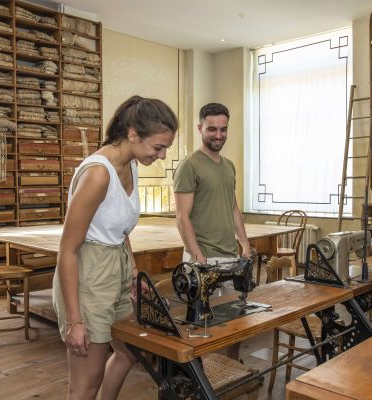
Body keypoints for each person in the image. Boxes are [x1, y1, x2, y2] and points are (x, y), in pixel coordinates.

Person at [52, 96, 178, 400]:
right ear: (133, 134)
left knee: (129, 351)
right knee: (85, 383)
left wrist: (132, 270)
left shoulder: (131, 165)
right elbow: (67, 250)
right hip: (89, 275)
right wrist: (75, 321)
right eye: (157, 147)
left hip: (117, 269)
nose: (160, 156)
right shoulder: (98, 174)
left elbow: (121, 229)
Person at [173, 103, 251, 359]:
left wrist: (245, 244)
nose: (218, 135)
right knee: (201, 328)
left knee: (237, 323)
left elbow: (233, 207)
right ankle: (203, 380)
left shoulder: (229, 166)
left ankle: (232, 369)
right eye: (212, 129)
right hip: (203, 259)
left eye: (223, 129)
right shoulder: (189, 166)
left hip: (230, 258)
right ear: (200, 128)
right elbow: (182, 217)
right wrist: (197, 256)